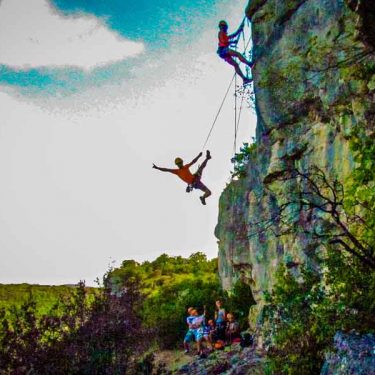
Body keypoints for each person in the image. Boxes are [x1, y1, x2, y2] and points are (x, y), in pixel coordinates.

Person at [217, 20, 254, 85]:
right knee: (238, 54)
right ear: (224, 27)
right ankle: (249, 64)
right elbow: (224, 41)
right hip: (223, 50)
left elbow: (233, 35)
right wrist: (232, 42)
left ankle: (244, 79)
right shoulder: (221, 33)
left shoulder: (224, 35)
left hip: (222, 53)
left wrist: (239, 30)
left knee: (236, 64)